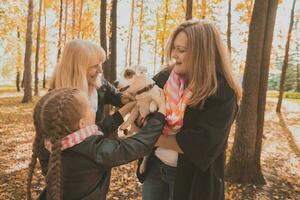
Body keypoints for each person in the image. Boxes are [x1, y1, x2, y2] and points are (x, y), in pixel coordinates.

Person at [139, 19, 242, 200]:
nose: (174, 55)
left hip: (192, 182)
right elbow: (142, 108)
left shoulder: (223, 92)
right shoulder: (166, 77)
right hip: (155, 171)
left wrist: (148, 136)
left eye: (181, 50)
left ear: (202, 53)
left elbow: (201, 145)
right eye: (174, 48)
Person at [27, 88, 166, 200]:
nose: (94, 109)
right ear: (82, 123)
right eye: (90, 107)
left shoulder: (50, 144)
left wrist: (127, 108)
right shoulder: (95, 151)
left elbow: (100, 128)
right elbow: (136, 145)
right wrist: (160, 115)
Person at [50, 39, 134, 122]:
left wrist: (122, 98)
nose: (101, 70)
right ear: (78, 69)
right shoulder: (56, 102)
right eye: (95, 66)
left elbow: (114, 95)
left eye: (100, 64)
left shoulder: (99, 82)